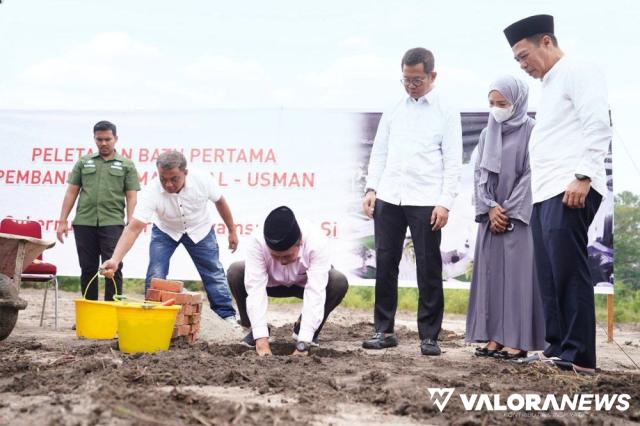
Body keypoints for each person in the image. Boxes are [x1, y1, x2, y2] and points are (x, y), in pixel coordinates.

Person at [503, 15, 611, 374]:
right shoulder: (547, 85)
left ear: (545, 42)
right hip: (545, 191)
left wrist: (583, 175)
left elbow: (597, 121)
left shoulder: (579, 69)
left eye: (524, 55)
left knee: (568, 270)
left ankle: (579, 355)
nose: (522, 65)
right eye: (517, 60)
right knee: (549, 273)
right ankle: (557, 347)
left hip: (571, 186)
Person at [361, 47, 462, 356]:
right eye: (405, 79)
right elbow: (379, 152)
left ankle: (429, 335)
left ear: (432, 76)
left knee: (429, 267)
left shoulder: (446, 110)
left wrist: (445, 203)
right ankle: (383, 330)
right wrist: (371, 188)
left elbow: (453, 161)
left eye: (416, 80)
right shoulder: (393, 108)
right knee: (386, 262)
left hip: (426, 200)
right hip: (389, 196)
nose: (410, 85)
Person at [101, 150, 239, 324]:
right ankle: (151, 316)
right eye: (163, 179)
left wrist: (232, 230)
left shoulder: (202, 180)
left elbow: (220, 202)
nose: (168, 184)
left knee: (213, 272)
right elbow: (133, 228)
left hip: (200, 229)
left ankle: (226, 316)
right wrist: (115, 259)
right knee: (156, 273)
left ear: (185, 173)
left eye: (174, 179)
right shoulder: (152, 191)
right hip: (166, 231)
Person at [465, 75, 545, 360]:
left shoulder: (532, 130)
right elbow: (479, 174)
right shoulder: (489, 132)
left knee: (517, 279)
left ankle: (517, 340)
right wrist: (489, 207)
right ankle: (493, 338)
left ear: (519, 101)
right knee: (490, 276)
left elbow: (531, 174)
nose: (496, 109)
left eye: (503, 103)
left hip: (518, 218)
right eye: (492, 103)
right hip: (491, 217)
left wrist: (507, 210)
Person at [227, 206, 349, 357]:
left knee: (338, 281)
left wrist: (303, 344)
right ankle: (254, 330)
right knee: (236, 271)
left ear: (301, 242)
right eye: (275, 256)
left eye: (287, 256)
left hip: (302, 285)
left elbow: (316, 291)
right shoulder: (257, 241)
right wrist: (261, 340)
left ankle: (305, 330)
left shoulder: (317, 241)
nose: (282, 262)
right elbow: (255, 289)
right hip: (270, 284)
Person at [56, 120, 139, 301]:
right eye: (99, 139)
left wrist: (131, 222)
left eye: (107, 139)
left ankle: (112, 313)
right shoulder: (84, 162)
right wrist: (62, 220)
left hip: (113, 223)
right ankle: (88, 313)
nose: (103, 143)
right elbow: (71, 191)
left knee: (113, 268)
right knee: (87, 269)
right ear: (94, 139)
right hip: (84, 222)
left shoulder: (127, 165)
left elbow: (131, 196)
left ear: (115, 138)